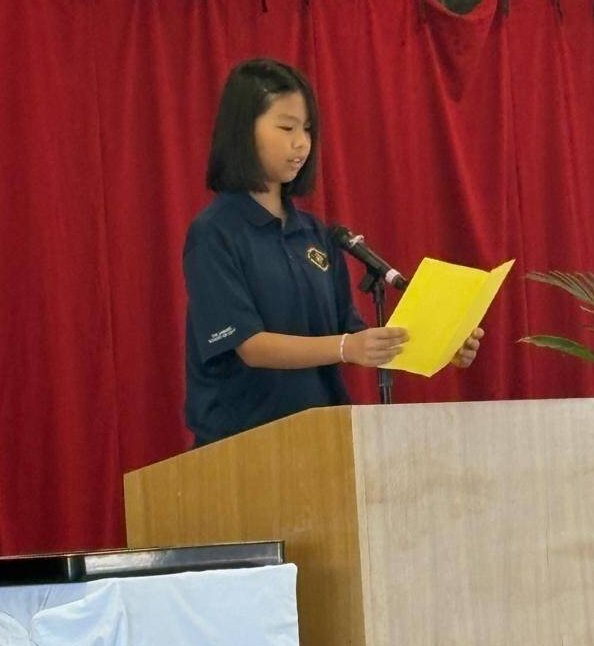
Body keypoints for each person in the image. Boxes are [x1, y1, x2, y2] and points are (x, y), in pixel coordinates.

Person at [184, 58, 482, 446]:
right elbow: (250, 345)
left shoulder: (315, 235)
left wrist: (442, 342)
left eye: (307, 129)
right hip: (240, 446)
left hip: (322, 442)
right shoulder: (214, 233)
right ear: (243, 130)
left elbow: (355, 336)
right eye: (287, 127)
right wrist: (345, 347)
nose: (301, 143)